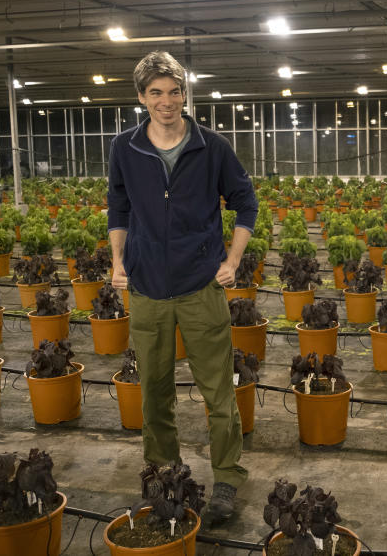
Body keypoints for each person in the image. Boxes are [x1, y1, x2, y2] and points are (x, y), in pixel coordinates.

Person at [107, 50, 258, 525]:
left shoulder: (211, 146)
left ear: (184, 94)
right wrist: (117, 261)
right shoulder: (125, 147)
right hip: (147, 289)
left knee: (218, 390)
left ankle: (228, 478)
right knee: (153, 391)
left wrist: (231, 260)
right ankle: (164, 472)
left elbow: (245, 203)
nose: (166, 101)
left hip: (199, 287)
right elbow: (119, 209)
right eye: (156, 92)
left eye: (174, 91)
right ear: (142, 97)